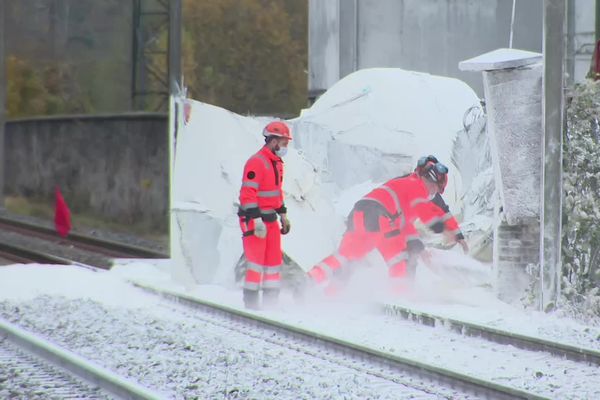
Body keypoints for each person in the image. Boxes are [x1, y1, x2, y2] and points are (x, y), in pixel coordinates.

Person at [307, 161, 448, 289]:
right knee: (400, 259)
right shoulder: (415, 189)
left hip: (358, 213)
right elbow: (406, 224)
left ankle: (312, 284)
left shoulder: (401, 183)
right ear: (429, 181)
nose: (434, 193)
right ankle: (402, 294)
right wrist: (420, 248)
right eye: (435, 188)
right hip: (378, 217)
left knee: (346, 256)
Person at [237, 121, 292, 309]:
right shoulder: (256, 162)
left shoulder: (276, 163)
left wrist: (283, 215)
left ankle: (270, 304)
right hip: (253, 219)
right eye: (284, 142)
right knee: (255, 264)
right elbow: (247, 194)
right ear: (274, 141)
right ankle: (251, 305)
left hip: (270, 218)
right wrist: (257, 219)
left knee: (273, 263)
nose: (286, 146)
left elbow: (276, 192)